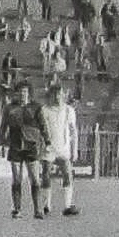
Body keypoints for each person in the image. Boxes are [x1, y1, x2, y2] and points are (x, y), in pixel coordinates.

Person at [0, 81, 48, 218]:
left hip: (31, 146)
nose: (22, 94)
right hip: (15, 145)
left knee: (35, 179)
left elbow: (43, 125)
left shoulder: (36, 107)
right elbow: (3, 126)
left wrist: (47, 140)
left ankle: (38, 210)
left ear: (29, 93)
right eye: (20, 92)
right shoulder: (9, 108)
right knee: (17, 179)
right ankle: (17, 209)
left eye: (25, 92)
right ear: (16, 93)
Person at [38, 80, 81, 217]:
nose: (57, 97)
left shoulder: (69, 110)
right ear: (51, 95)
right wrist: (40, 148)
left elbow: (74, 131)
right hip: (49, 148)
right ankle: (46, 205)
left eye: (60, 94)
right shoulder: (44, 110)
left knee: (67, 173)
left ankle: (68, 205)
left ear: (63, 95)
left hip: (63, 148)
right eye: (55, 94)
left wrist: (74, 150)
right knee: (45, 174)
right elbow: (40, 131)